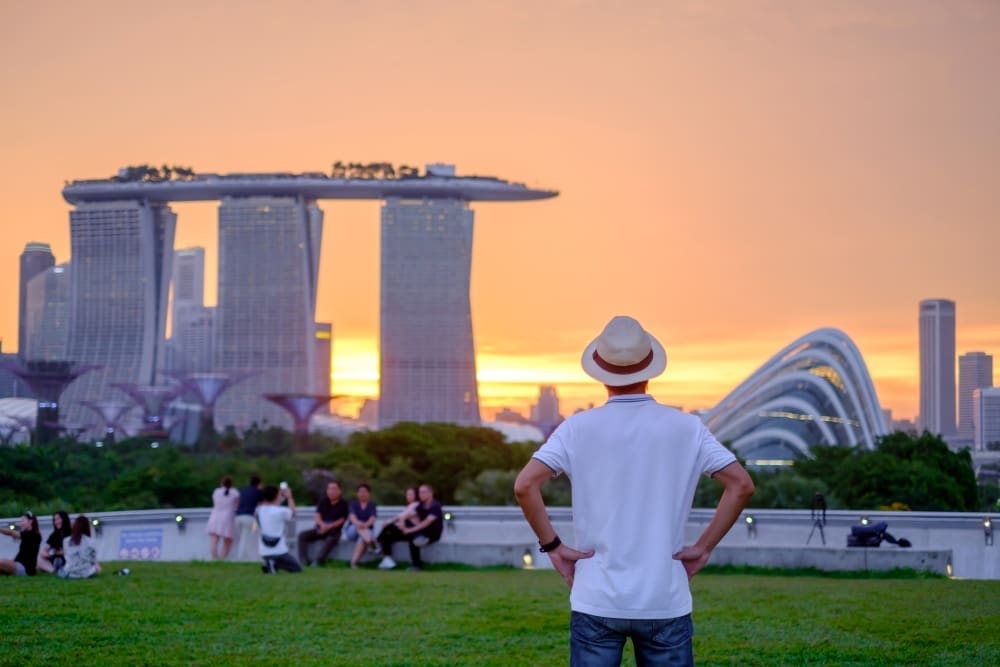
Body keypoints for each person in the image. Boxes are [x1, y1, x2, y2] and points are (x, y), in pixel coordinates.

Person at [514, 315, 755, 666]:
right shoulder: (688, 428)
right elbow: (741, 485)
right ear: (650, 368)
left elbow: (524, 485)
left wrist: (553, 546)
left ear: (600, 370)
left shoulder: (577, 428)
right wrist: (703, 548)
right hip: (664, 595)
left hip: (595, 596)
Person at [377, 484, 444, 571]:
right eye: (419, 493)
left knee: (414, 539)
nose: (421, 495)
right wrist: (402, 523)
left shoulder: (435, 506)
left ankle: (417, 565)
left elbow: (426, 523)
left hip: (431, 535)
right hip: (420, 531)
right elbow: (407, 514)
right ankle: (385, 557)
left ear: (430, 493)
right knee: (389, 532)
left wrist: (409, 530)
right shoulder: (420, 505)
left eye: (423, 492)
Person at [297, 480, 349, 566]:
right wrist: (322, 525)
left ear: (340, 491)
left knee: (330, 539)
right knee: (302, 535)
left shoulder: (344, 503)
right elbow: (317, 515)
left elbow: (341, 520)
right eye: (329, 489)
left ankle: (318, 561)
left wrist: (328, 527)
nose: (331, 491)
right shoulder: (323, 500)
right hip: (320, 528)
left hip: (334, 531)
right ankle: (303, 561)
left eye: (334, 489)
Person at [255, 484, 301, 574]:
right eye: (280, 494)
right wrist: (289, 498)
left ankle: (269, 563)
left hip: (264, 551)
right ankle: (273, 563)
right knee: (297, 568)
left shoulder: (259, 510)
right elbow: (293, 514)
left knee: (276, 560)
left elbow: (267, 504)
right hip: (279, 550)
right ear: (276, 496)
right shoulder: (281, 511)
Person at [206, 475, 240, 560]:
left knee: (214, 540)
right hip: (227, 517)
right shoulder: (235, 492)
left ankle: (215, 558)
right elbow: (237, 505)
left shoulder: (216, 491)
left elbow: (215, 503)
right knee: (228, 540)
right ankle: (222, 558)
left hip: (215, 515)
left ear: (222, 483)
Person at [0, 511, 42, 576]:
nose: (21, 523)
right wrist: (12, 561)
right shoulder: (26, 534)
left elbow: (12, 533)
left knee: (1, 562)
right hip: (19, 565)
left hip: (25, 569)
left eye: (23, 521)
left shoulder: (34, 535)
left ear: (30, 521)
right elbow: (22, 553)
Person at [347, 483, 379, 568]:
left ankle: (353, 563)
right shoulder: (353, 504)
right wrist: (359, 524)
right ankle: (371, 543)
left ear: (368, 493)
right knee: (358, 527)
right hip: (352, 530)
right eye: (360, 492)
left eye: (365, 492)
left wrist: (365, 525)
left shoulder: (372, 505)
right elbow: (352, 517)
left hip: (366, 532)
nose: (362, 494)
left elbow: (373, 518)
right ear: (357, 493)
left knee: (362, 538)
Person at [58, 515, 100, 579]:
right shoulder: (91, 541)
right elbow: (93, 559)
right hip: (87, 573)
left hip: (70, 572)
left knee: (60, 569)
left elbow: (66, 555)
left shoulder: (66, 540)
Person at [233, 474, 263, 561]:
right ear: (259, 483)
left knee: (244, 537)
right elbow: (263, 504)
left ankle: (244, 558)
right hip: (250, 519)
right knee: (249, 538)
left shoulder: (243, 490)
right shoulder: (258, 491)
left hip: (238, 517)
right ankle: (243, 558)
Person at [37, 510, 71, 574]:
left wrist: (63, 552)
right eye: (55, 520)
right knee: (39, 558)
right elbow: (43, 551)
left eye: (58, 519)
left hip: (68, 558)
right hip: (55, 558)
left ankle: (58, 568)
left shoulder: (72, 533)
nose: (56, 522)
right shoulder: (54, 535)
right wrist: (49, 554)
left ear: (64, 519)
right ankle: (55, 570)